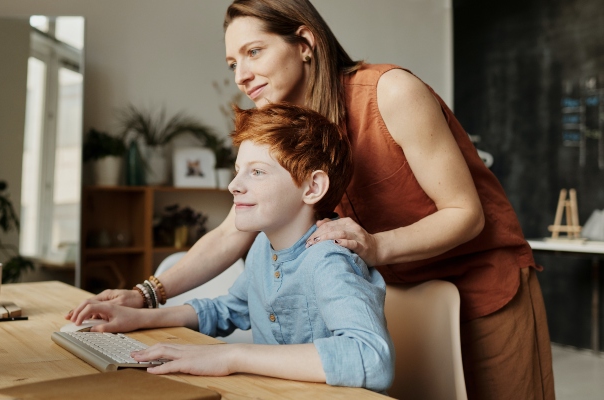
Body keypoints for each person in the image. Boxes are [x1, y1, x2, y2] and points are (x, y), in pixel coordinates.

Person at [68, 1, 554, 399]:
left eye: (254, 51)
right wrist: (146, 295)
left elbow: (465, 215)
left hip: (485, 286)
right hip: (398, 293)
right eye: (233, 63)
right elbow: (232, 230)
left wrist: (374, 247)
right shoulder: (295, 131)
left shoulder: (391, 92)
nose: (242, 74)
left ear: (304, 43)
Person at [69, 103, 395, 391]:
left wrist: (231, 356)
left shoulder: (328, 260)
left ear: (312, 187)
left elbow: (371, 357)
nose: (234, 185)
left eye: (256, 172)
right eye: (239, 170)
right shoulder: (262, 249)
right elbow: (229, 309)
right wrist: (138, 317)